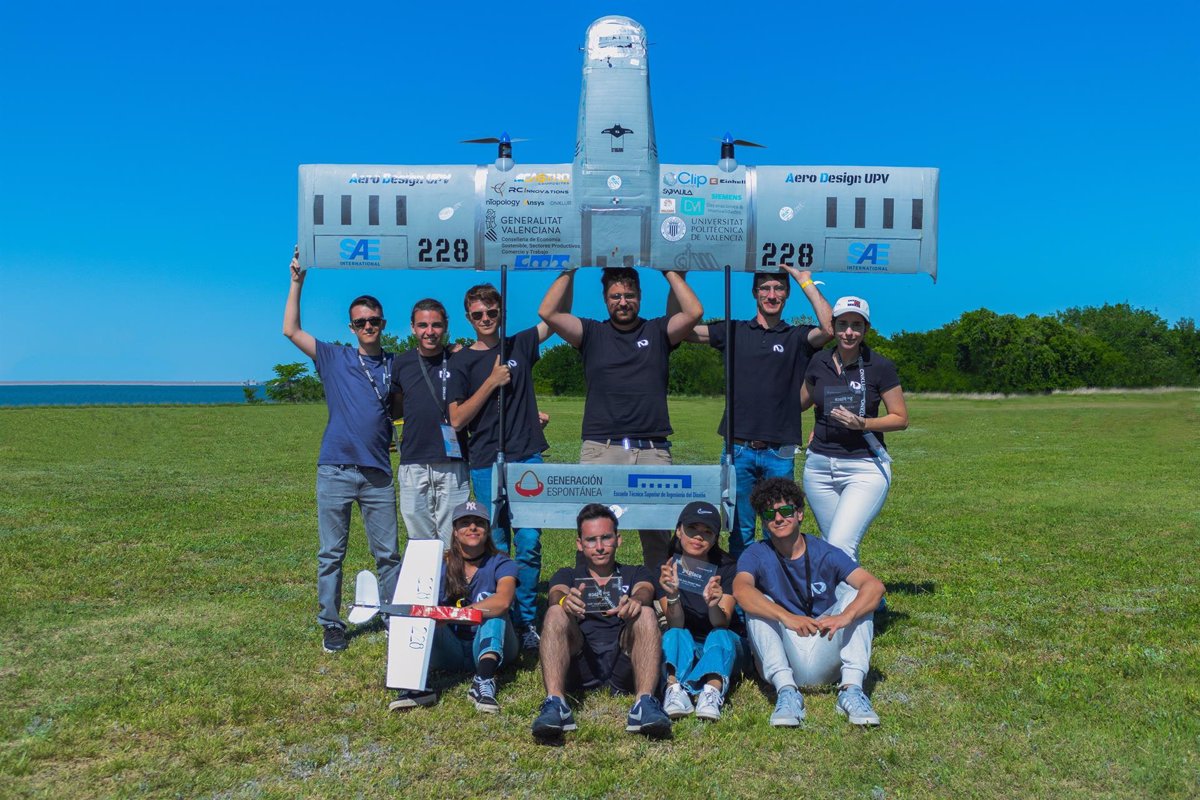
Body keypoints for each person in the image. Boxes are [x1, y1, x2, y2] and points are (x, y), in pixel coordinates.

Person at [538, 267, 703, 568]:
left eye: (629, 295)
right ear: (605, 299)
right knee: (594, 531)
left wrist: (671, 272)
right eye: (615, 296)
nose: (622, 302)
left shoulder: (657, 331)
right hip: (602, 447)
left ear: (640, 297)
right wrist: (569, 270)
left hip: (653, 450)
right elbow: (548, 311)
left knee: (656, 534)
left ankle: (660, 602)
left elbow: (694, 312)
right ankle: (591, 597)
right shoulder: (591, 333)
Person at [282, 246, 402, 653]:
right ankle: (331, 623)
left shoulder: (395, 364)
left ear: (383, 323)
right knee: (331, 553)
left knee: (388, 553)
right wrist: (297, 282)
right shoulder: (333, 357)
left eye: (373, 320)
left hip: (378, 473)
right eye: (360, 322)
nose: (367, 326)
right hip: (335, 469)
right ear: (351, 327)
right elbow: (291, 331)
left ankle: (392, 614)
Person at [677, 264, 833, 559]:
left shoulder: (796, 337)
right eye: (765, 289)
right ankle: (740, 601)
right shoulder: (733, 331)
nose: (771, 295)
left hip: (780, 450)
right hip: (738, 449)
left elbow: (829, 327)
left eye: (778, 289)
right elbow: (682, 331)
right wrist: (680, 278)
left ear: (787, 294)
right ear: (754, 293)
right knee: (740, 531)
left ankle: (775, 592)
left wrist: (805, 280)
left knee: (780, 528)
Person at [447, 283, 558, 650]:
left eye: (491, 313)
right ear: (468, 317)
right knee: (495, 542)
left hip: (527, 457)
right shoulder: (461, 362)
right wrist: (492, 382)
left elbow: (554, 316)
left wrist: (568, 269)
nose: (485, 320)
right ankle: (498, 615)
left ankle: (526, 621)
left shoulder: (520, 345)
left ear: (500, 313)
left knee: (528, 543)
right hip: (484, 460)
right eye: (477, 315)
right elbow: (458, 419)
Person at [733, 477, 886, 727]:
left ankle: (851, 689)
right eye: (770, 514)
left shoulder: (825, 551)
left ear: (800, 514)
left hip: (825, 639)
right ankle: (787, 693)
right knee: (758, 601)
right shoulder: (756, 553)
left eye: (785, 511)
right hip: (786, 652)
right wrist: (785, 616)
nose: (779, 519)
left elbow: (874, 586)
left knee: (854, 595)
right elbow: (740, 590)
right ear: (764, 522)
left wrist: (845, 616)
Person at [531, 503, 671, 740]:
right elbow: (555, 592)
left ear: (618, 540)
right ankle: (556, 704)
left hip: (624, 661)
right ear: (579, 544)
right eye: (591, 540)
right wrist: (565, 601)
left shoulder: (635, 572)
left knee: (645, 613)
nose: (599, 547)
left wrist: (636, 600)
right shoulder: (568, 575)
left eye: (606, 538)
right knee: (555, 612)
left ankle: (644, 703)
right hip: (581, 662)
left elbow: (645, 589)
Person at [800, 296, 909, 562]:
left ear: (866, 329)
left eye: (856, 325)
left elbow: (900, 418)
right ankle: (869, 598)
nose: (849, 332)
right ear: (833, 327)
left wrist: (864, 423)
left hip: (864, 467)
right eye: (843, 324)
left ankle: (853, 604)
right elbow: (802, 403)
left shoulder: (880, 366)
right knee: (835, 545)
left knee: (840, 543)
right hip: (819, 467)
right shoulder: (818, 362)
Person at [388, 500, 519, 714]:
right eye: (465, 523)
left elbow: (503, 601)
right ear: (455, 532)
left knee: (494, 613)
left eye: (479, 523)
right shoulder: (438, 563)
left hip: (490, 647)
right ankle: (416, 686)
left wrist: (452, 616)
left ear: (487, 531)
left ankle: (483, 682)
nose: (472, 527)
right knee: (421, 612)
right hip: (451, 648)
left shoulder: (501, 562)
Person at [392, 298, 470, 546]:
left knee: (452, 538)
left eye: (436, 325)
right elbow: (394, 407)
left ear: (446, 326)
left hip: (452, 461)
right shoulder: (401, 363)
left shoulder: (459, 358)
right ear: (413, 327)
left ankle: (451, 585)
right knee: (418, 536)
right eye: (422, 325)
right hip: (414, 461)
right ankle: (424, 584)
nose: (429, 332)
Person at [657, 501, 742, 722]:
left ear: (715, 539)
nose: (698, 537)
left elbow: (721, 623)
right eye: (692, 528)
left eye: (707, 532)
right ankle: (674, 690)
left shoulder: (727, 568)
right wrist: (673, 594)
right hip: (687, 643)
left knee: (720, 635)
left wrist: (713, 602)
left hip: (723, 643)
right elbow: (676, 623)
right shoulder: (667, 568)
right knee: (674, 633)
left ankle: (711, 691)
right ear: (678, 530)